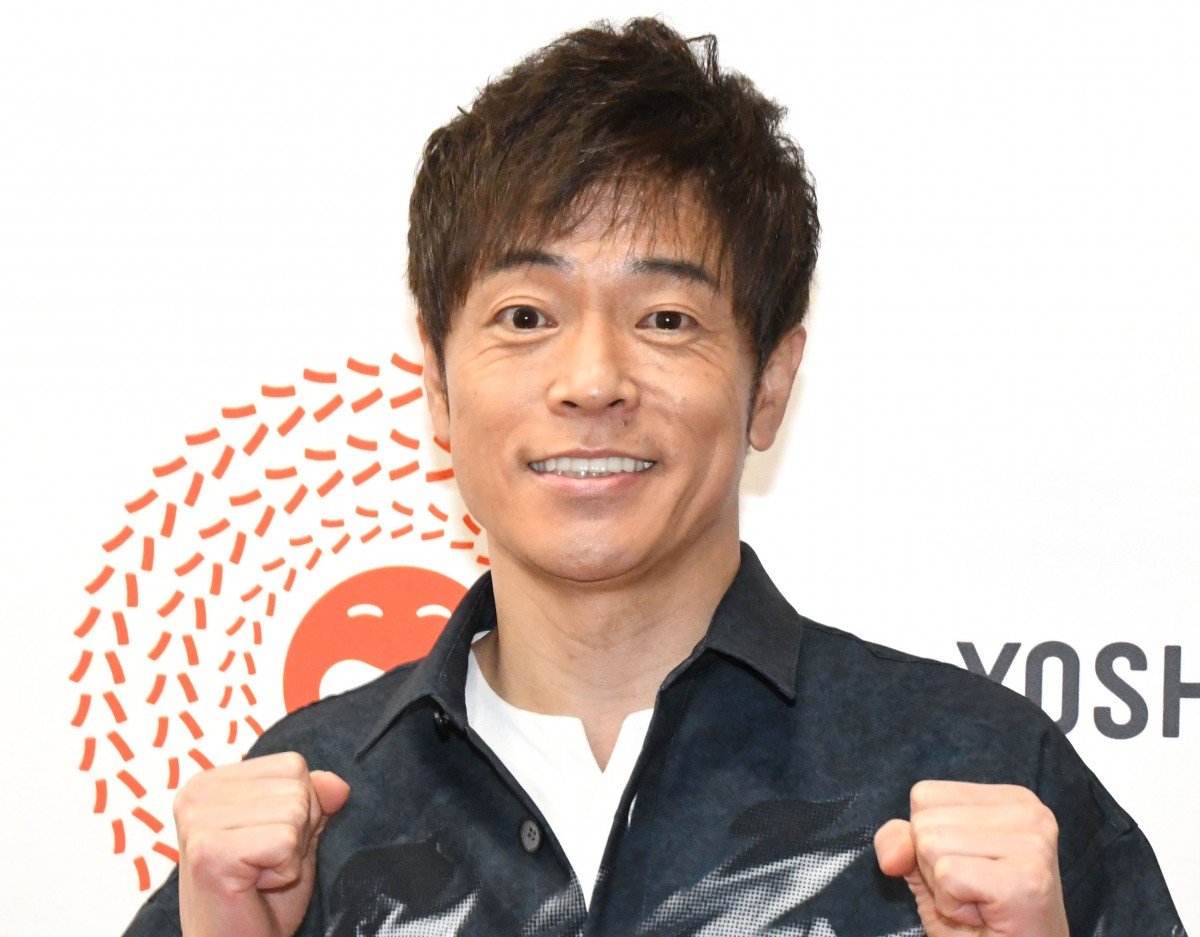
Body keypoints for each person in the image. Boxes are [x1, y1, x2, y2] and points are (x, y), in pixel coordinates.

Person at [123, 17, 1185, 937]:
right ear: (439, 390)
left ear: (769, 385)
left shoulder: (974, 770)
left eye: (667, 319)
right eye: (525, 316)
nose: (592, 380)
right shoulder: (308, 811)